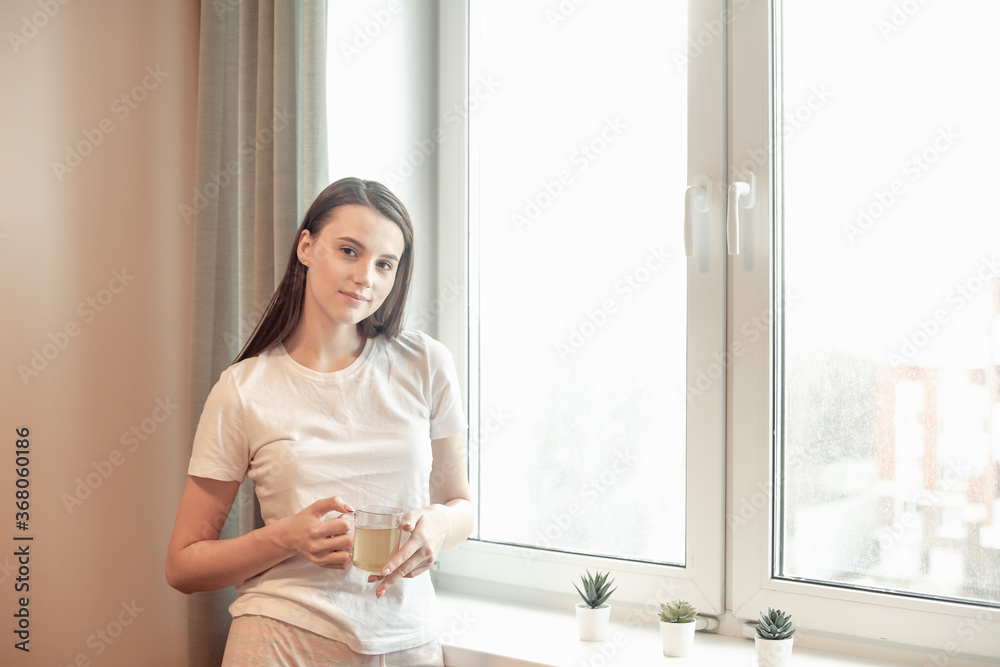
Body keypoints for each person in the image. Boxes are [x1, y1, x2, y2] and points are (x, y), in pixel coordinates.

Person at [166, 177, 473, 667]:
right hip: (281, 639)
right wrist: (286, 537)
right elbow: (183, 564)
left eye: (384, 264)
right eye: (349, 250)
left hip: (406, 640)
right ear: (306, 247)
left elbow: (461, 503)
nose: (365, 277)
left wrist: (438, 524)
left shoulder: (426, 363)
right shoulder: (243, 389)